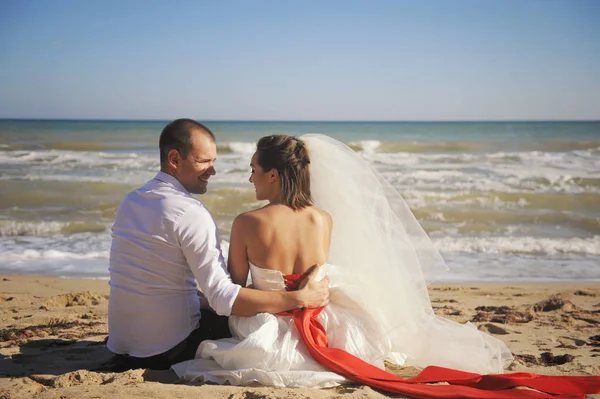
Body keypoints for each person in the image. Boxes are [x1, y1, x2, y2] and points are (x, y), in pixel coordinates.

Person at [172, 134, 600, 398]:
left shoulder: (247, 222)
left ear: (274, 176)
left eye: (253, 171)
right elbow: (317, 273)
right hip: (328, 320)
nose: (249, 179)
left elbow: (236, 288)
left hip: (270, 328)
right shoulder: (323, 218)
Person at [107, 120, 329, 371]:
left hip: (120, 344)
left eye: (214, 161)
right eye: (204, 161)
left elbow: (151, 278)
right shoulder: (190, 212)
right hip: (166, 349)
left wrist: (198, 298)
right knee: (243, 323)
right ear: (174, 159)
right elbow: (225, 299)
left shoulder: (132, 200)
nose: (212, 171)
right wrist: (298, 298)